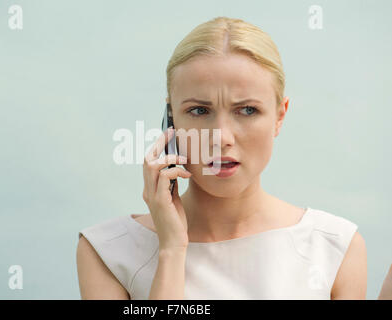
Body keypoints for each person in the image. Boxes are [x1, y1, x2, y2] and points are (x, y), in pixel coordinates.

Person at [77, 16, 374, 300]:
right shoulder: (109, 251)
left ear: (280, 116)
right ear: (171, 118)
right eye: (199, 111)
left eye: (247, 110)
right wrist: (171, 250)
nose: (221, 137)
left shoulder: (335, 247)